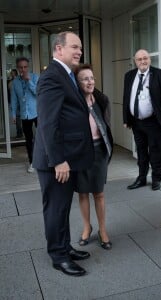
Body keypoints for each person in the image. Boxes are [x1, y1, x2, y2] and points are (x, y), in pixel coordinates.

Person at [32, 32, 94, 277]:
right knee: (56, 209)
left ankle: (65, 247)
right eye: (74, 47)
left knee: (63, 208)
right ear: (59, 49)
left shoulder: (66, 74)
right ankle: (58, 256)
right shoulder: (51, 77)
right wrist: (58, 160)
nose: (79, 51)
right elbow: (47, 123)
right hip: (56, 162)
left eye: (80, 47)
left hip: (67, 158)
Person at [74, 64, 113, 250]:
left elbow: (106, 127)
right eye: (85, 79)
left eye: (92, 78)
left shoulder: (101, 100)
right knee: (82, 192)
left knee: (99, 193)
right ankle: (86, 227)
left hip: (99, 152)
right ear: (77, 82)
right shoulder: (74, 103)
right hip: (81, 153)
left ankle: (102, 230)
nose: (90, 82)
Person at [123, 49, 161, 191]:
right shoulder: (129, 76)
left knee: (155, 150)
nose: (143, 61)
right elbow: (126, 98)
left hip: (153, 121)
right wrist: (126, 118)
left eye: (145, 58)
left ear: (149, 59)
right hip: (136, 121)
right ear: (135, 61)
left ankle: (157, 178)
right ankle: (142, 178)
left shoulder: (160, 74)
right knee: (141, 151)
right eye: (139, 59)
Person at [11, 57, 38, 172]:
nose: (23, 69)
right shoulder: (15, 82)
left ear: (28, 66)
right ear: (18, 68)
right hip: (24, 114)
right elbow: (14, 99)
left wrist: (29, 81)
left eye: (25, 67)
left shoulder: (36, 77)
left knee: (42, 138)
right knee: (28, 139)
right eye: (21, 67)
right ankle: (32, 162)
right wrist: (13, 114)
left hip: (38, 113)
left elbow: (38, 93)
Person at [8, 69, 23, 139]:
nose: (12, 75)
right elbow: (9, 92)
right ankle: (19, 133)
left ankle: (20, 133)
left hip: (20, 102)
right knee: (17, 119)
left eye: (13, 73)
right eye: (12, 74)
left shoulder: (19, 81)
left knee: (20, 118)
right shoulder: (10, 83)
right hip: (14, 102)